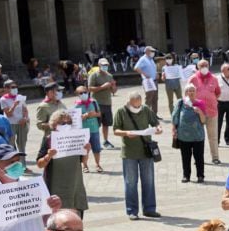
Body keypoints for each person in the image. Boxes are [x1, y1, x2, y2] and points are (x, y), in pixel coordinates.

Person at [112, 92, 163, 220]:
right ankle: (132, 211)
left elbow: (155, 122)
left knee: (148, 181)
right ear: (129, 103)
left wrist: (159, 128)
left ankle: (150, 209)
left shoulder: (145, 109)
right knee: (130, 182)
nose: (137, 108)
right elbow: (116, 130)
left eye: (139, 105)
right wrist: (126, 133)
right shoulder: (121, 111)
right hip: (129, 153)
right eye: (134, 106)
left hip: (146, 151)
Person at [37, 110, 90, 216]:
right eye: (62, 123)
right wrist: (48, 156)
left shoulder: (77, 138)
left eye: (69, 123)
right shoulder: (49, 139)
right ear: (54, 124)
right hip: (55, 185)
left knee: (75, 216)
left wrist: (87, 151)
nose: (66, 125)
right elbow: (39, 164)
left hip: (75, 184)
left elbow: (83, 161)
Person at [172, 83, 207, 184]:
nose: (191, 92)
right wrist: (174, 130)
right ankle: (186, 175)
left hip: (198, 136)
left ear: (196, 92)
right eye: (189, 91)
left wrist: (200, 112)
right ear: (185, 93)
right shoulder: (181, 103)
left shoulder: (200, 103)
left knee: (199, 156)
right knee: (185, 157)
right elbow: (175, 117)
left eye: (193, 91)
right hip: (184, 136)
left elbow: (204, 121)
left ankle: (200, 175)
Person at [189, 59, 222, 165]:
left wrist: (210, 100)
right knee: (197, 136)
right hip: (197, 113)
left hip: (212, 111)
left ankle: (215, 157)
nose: (204, 67)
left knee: (213, 136)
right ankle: (198, 158)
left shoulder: (214, 78)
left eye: (206, 65)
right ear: (198, 67)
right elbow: (187, 94)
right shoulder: (193, 79)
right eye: (202, 65)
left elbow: (218, 93)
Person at [0, 79, 30, 171]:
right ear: (6, 89)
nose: (15, 89)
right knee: (10, 146)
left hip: (21, 124)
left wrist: (25, 118)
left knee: (22, 145)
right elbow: (8, 114)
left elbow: (25, 109)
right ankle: (11, 167)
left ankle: (23, 166)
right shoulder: (3, 99)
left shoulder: (20, 97)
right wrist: (14, 104)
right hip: (10, 124)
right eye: (12, 87)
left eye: (16, 87)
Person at [88, 58, 118, 149]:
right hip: (96, 103)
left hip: (107, 102)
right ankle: (94, 141)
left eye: (106, 65)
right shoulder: (94, 75)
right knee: (95, 123)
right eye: (103, 65)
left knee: (106, 123)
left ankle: (105, 141)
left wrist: (113, 86)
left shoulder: (110, 75)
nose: (105, 66)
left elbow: (114, 91)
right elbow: (89, 88)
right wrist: (102, 87)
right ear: (99, 65)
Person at [73, 86, 104, 173]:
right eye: (81, 93)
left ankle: (98, 165)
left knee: (96, 148)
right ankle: (85, 165)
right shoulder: (76, 105)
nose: (84, 94)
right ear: (77, 95)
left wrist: (93, 114)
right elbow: (74, 119)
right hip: (83, 130)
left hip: (94, 129)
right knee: (85, 149)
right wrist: (83, 116)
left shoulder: (94, 102)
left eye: (85, 92)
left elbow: (99, 114)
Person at [133, 46, 159, 116]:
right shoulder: (143, 59)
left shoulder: (151, 59)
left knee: (155, 98)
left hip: (154, 80)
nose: (153, 53)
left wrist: (156, 73)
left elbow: (153, 68)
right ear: (147, 51)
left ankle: (154, 115)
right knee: (149, 98)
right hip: (148, 81)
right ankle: (146, 115)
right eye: (152, 51)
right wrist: (145, 74)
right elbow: (136, 68)